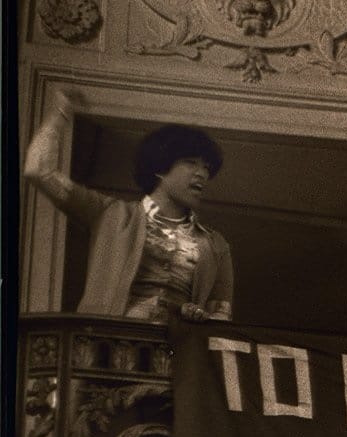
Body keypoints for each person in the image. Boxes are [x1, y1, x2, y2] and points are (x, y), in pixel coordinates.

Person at [23, 89, 233, 323]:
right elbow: (38, 171)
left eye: (206, 167)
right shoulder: (110, 213)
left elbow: (221, 315)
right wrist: (61, 113)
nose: (202, 173)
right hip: (109, 345)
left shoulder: (216, 245)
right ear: (160, 167)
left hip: (179, 349)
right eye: (191, 162)